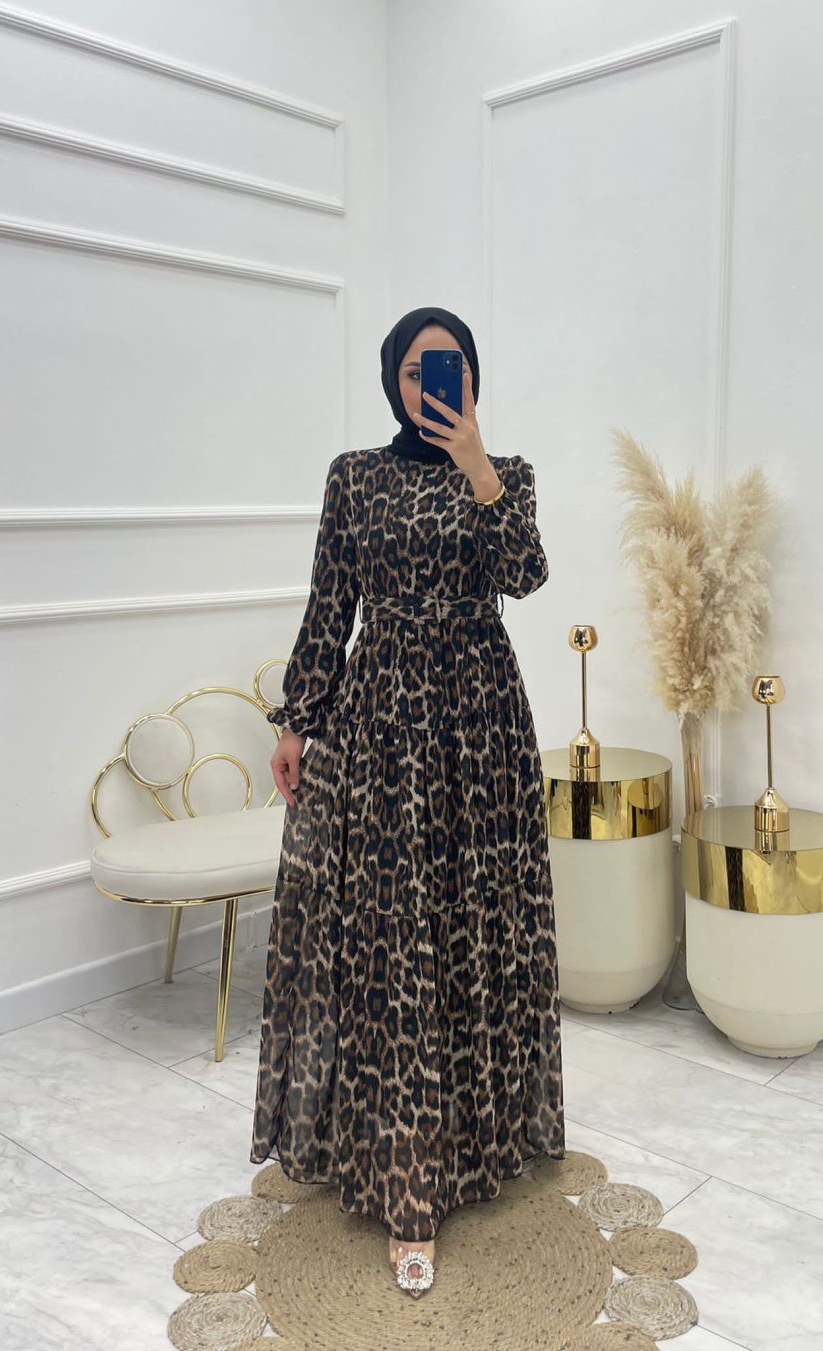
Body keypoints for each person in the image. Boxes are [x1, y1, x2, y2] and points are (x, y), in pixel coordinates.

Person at [250, 305, 565, 1297]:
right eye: (420, 369)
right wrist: (297, 720)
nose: (435, 382)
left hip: (481, 723)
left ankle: (483, 1141)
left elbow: (526, 573)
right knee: (393, 943)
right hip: (381, 719)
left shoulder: (505, 474)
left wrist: (477, 468)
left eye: (453, 366)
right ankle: (406, 1185)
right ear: (393, 378)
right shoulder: (354, 476)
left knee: (475, 930)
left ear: (474, 378)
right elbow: (329, 602)